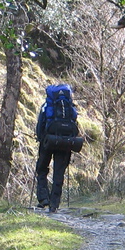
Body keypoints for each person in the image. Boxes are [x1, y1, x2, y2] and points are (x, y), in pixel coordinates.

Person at [35, 83, 83, 213]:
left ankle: (43, 198)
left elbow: (41, 123)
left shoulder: (47, 106)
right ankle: (54, 204)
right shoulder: (70, 107)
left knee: (41, 168)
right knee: (59, 172)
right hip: (66, 142)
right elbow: (75, 122)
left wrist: (40, 138)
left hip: (48, 141)